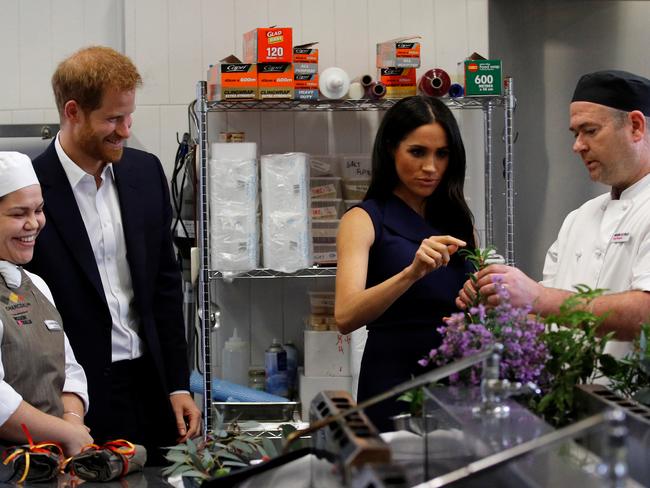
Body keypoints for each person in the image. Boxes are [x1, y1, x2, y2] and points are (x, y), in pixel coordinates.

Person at [25, 46, 201, 460]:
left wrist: (178, 384)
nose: (125, 130)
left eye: (128, 116)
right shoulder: (30, 191)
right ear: (73, 112)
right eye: (112, 119)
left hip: (150, 385)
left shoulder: (145, 172)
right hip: (75, 400)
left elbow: (165, 286)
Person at [457, 70, 650, 356]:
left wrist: (538, 297)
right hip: (575, 396)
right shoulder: (579, 218)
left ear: (635, 126)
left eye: (590, 130)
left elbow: (645, 315)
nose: (578, 146)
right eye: (575, 133)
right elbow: (547, 317)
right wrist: (496, 312)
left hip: (635, 400)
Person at [335, 96, 475, 431]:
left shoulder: (456, 220)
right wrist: (411, 274)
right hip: (392, 379)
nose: (431, 167)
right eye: (418, 152)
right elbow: (345, 315)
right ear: (390, 149)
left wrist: (479, 295)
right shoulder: (364, 219)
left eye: (442, 154)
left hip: (454, 380)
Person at [0, 152, 92, 456]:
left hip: (50, 462)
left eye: (38, 210)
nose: (33, 224)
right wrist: (65, 432)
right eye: (18, 214)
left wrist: (72, 421)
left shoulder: (36, 285)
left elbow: (69, 370)